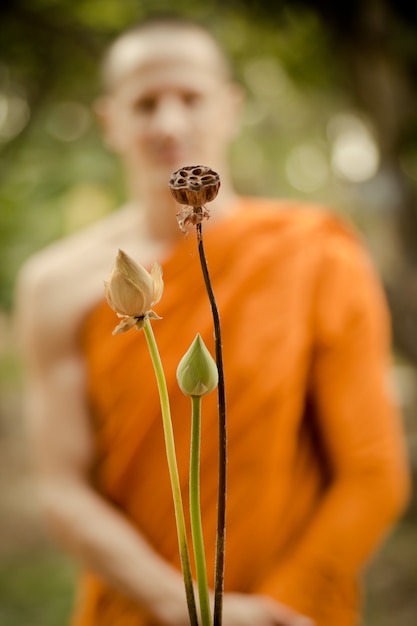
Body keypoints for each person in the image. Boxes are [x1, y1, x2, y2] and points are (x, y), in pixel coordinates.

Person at [15, 15, 410, 626]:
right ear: (109, 120)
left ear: (229, 108)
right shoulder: (56, 285)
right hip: (137, 608)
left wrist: (278, 606)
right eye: (145, 103)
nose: (169, 123)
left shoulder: (316, 253)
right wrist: (182, 606)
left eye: (191, 98)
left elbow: (373, 472)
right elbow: (62, 487)